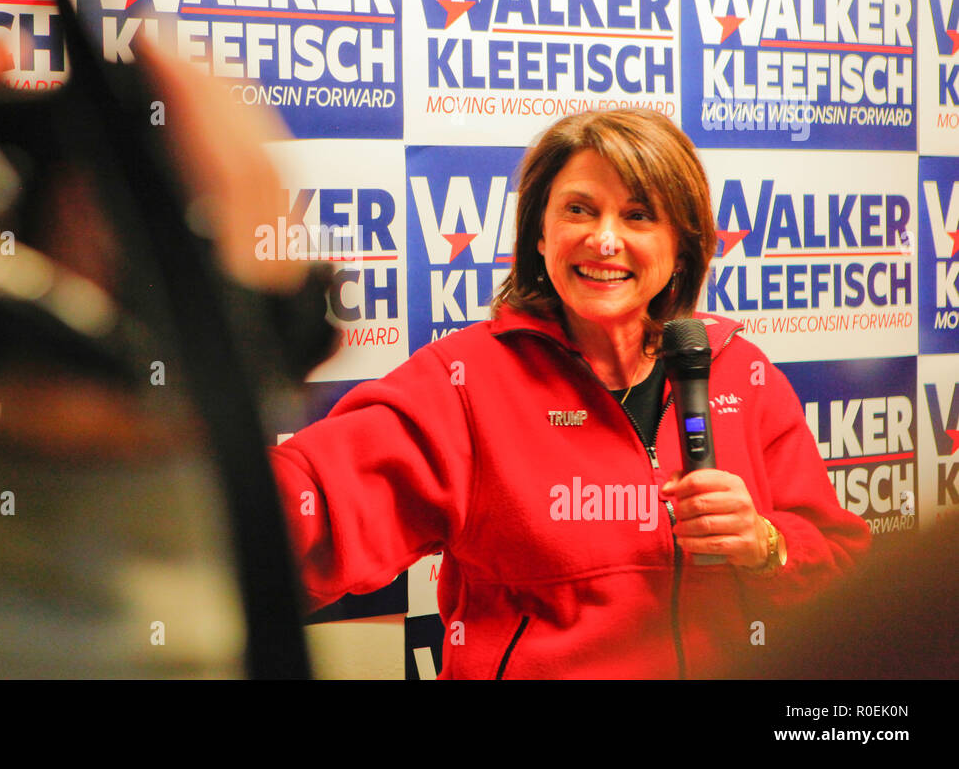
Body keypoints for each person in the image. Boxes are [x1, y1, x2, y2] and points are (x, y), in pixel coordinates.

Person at [270, 109, 871, 678]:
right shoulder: (466, 378)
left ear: (681, 246)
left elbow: (844, 572)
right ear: (539, 234)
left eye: (638, 216)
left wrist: (766, 544)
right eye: (579, 210)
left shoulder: (741, 372)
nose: (604, 240)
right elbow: (306, 502)